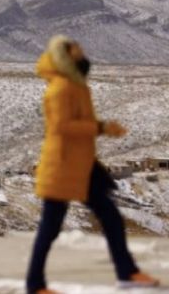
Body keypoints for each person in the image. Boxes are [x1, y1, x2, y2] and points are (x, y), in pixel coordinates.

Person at [26, 35, 160, 294]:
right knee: (50, 228)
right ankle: (35, 285)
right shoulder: (62, 88)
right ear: (67, 57)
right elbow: (61, 127)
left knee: (110, 217)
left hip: (82, 165)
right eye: (77, 50)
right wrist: (101, 127)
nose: (84, 52)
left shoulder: (75, 85)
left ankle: (127, 272)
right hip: (63, 167)